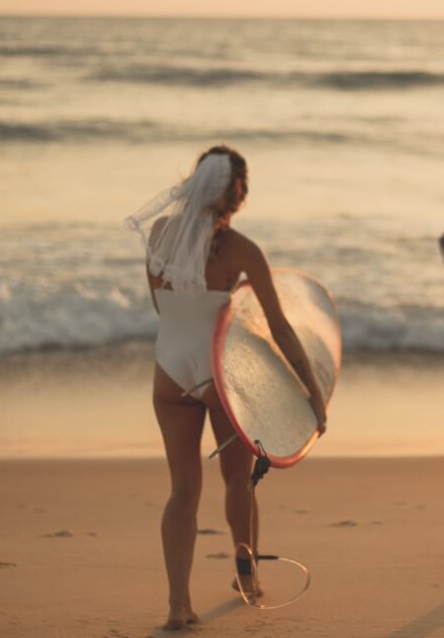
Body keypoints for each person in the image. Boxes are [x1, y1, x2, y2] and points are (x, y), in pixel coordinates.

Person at [126, 145, 327, 630]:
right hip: (217, 376)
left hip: (170, 371)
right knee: (238, 481)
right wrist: (313, 391)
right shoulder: (243, 250)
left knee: (182, 490)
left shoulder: (160, 233)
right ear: (237, 194)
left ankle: (178, 605)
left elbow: (162, 306)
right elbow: (279, 327)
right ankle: (247, 579)